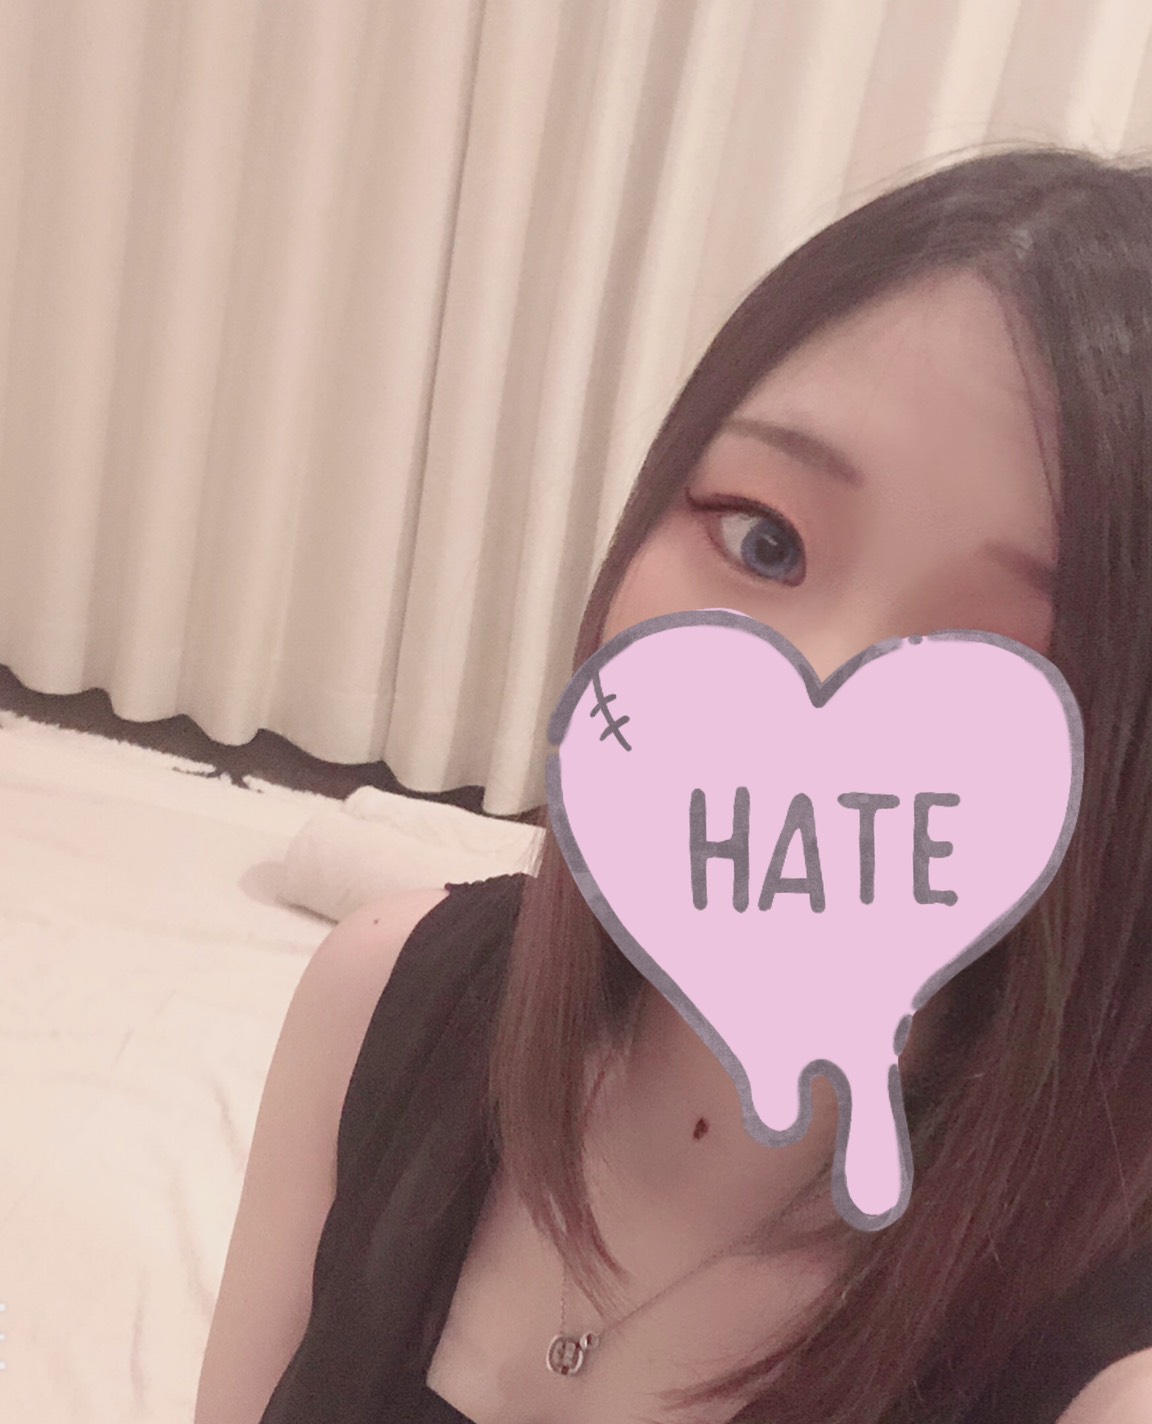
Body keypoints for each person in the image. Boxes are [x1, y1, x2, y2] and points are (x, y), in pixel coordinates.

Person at [195, 146, 1152, 1424]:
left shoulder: (1097, 1362)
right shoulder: (382, 993)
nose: (810, 696)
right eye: (766, 538)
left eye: (997, 661)